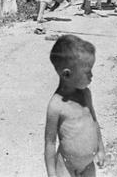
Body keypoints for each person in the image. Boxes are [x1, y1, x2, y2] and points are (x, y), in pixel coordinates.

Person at [44, 35, 105, 177]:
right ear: (67, 75)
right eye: (87, 72)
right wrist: (52, 174)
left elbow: (94, 122)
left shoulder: (86, 94)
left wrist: (101, 149)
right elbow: (50, 143)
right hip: (66, 165)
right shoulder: (56, 106)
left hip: (88, 164)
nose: (92, 75)